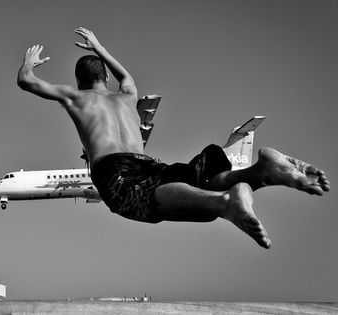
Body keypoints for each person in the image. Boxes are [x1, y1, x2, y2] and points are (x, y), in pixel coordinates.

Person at [17, 27, 330, 249]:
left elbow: (26, 82)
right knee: (195, 186)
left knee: (153, 204)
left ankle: (227, 203)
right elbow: (126, 76)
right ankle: (261, 173)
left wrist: (29, 64)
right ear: (106, 78)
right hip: (150, 165)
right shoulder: (126, 95)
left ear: (79, 81)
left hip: (116, 173)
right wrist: (100, 47)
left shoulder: (75, 97)